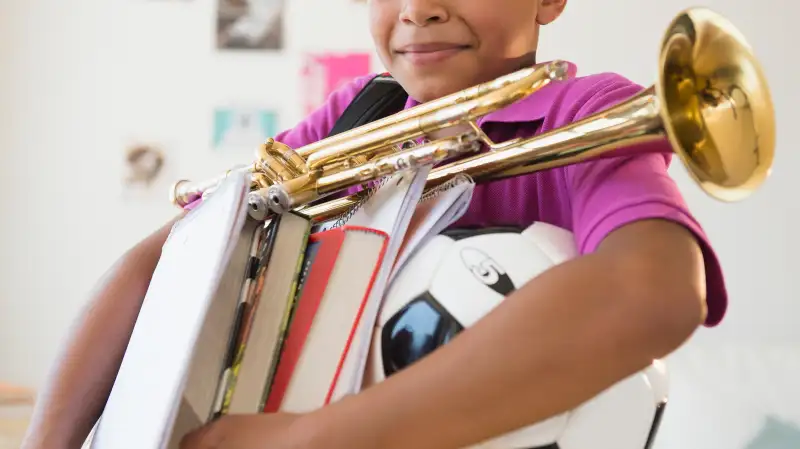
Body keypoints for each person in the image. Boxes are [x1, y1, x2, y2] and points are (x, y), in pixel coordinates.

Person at [22, 0, 727, 448]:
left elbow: (654, 291)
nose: (418, 11)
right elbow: (165, 262)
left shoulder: (586, 113)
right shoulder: (358, 114)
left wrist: (310, 440)